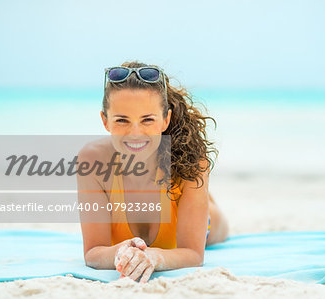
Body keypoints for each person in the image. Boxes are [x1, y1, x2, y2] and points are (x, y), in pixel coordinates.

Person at [77, 61, 229, 283]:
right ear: (105, 121)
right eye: (122, 120)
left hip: (205, 221)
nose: (135, 133)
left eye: (147, 119)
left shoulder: (194, 163)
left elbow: (194, 254)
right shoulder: (92, 161)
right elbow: (93, 253)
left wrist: (154, 257)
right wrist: (120, 252)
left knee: (218, 227)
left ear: (165, 119)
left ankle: (207, 200)